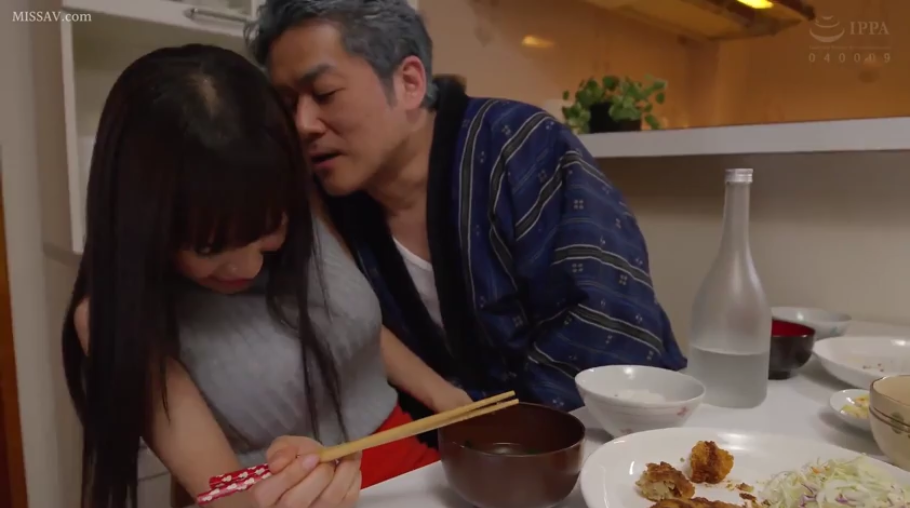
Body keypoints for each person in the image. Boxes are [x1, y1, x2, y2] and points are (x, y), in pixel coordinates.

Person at [61, 44, 462, 508]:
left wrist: (447, 397)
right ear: (146, 225)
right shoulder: (112, 316)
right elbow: (226, 497)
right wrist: (283, 498)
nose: (249, 267)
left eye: (270, 231)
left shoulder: (295, 200)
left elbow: (348, 322)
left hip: (418, 472)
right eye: (210, 249)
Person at [246, 0, 687, 422]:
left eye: (324, 93)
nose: (303, 123)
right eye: (288, 103)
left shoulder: (523, 148)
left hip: (611, 437)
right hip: (453, 453)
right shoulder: (327, 204)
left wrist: (503, 440)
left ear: (409, 82)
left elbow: (605, 327)